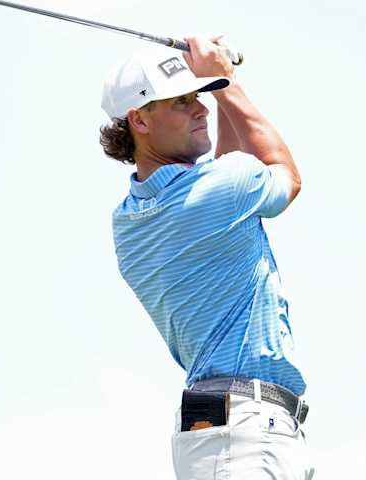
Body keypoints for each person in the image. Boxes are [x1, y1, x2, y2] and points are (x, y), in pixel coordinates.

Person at [98, 35, 314, 480]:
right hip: (244, 434)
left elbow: (227, 173)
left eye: (200, 96)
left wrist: (214, 81)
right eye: (181, 102)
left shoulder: (128, 221)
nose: (201, 108)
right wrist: (227, 83)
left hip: (232, 434)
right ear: (139, 120)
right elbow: (287, 180)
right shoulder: (220, 191)